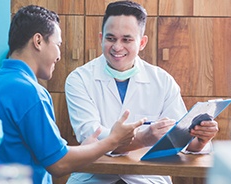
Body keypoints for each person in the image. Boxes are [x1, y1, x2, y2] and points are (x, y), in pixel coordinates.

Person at [0, 5, 144, 184]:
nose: (59, 56)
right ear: (38, 41)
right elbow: (58, 165)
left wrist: (90, 149)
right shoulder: (30, 92)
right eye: (58, 45)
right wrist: (113, 140)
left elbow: (45, 150)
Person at [65, 1, 219, 184]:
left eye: (127, 40)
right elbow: (91, 142)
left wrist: (200, 139)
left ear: (142, 42)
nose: (117, 47)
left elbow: (179, 140)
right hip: (94, 178)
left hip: (147, 178)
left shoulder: (162, 81)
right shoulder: (79, 79)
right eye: (111, 38)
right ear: (101, 38)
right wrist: (143, 139)